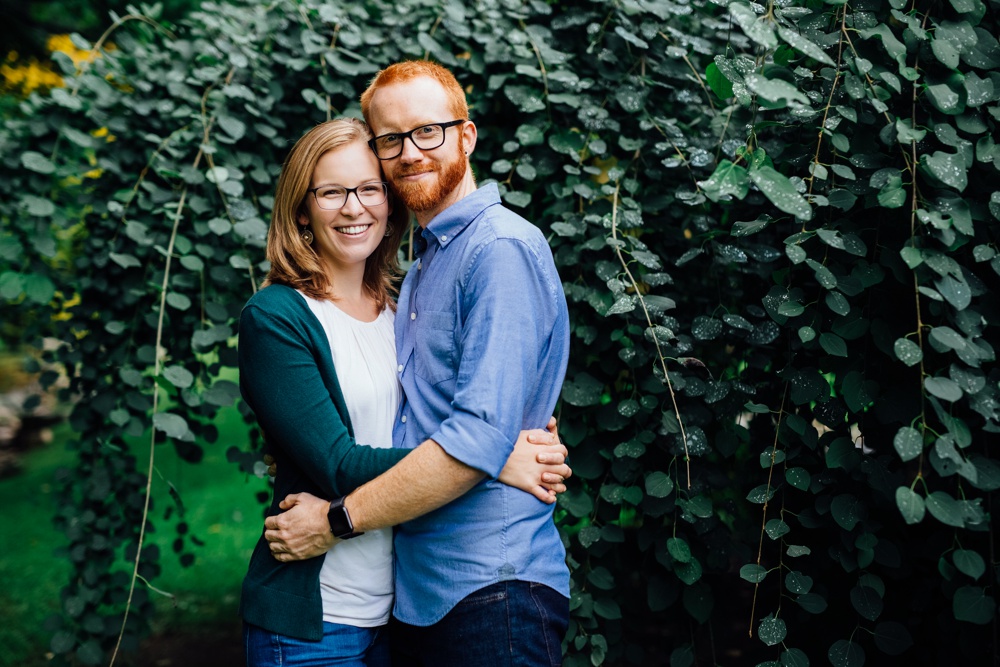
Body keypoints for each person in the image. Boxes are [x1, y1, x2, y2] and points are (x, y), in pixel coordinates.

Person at [264, 61, 572, 666]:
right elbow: (456, 430)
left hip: (492, 586)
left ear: (467, 135)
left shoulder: (497, 249)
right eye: (391, 140)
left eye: (428, 131)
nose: (410, 152)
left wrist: (337, 521)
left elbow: (477, 438)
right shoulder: (424, 267)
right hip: (423, 595)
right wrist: (499, 453)